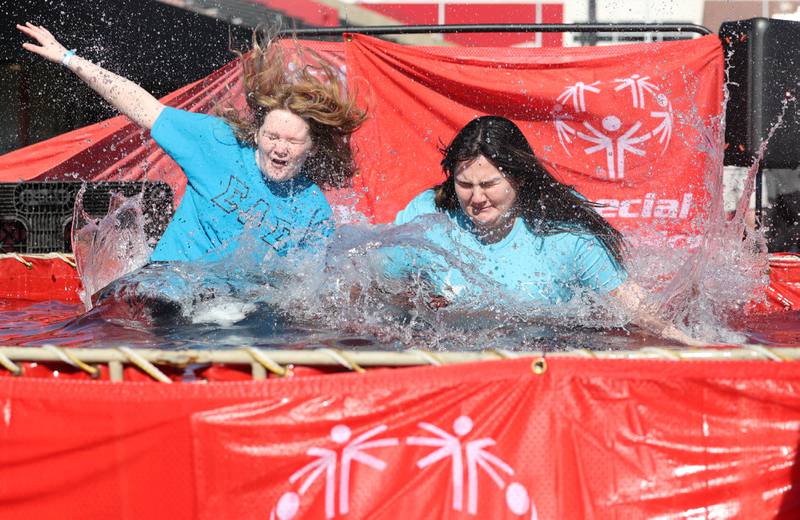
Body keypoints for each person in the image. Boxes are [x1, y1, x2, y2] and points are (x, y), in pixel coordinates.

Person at [17, 23, 366, 263]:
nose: (279, 148)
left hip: (239, 311)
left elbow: (308, 289)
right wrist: (68, 59)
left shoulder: (314, 210)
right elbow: (144, 107)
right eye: (273, 136)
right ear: (257, 133)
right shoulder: (216, 143)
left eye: (291, 141)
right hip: (170, 285)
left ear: (311, 147)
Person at [388, 115, 701, 345]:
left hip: (542, 359)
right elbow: (367, 285)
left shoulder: (563, 231)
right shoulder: (427, 215)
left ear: (518, 178)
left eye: (489, 184)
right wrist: (413, 300)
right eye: (465, 184)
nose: (477, 197)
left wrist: (696, 348)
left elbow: (636, 307)